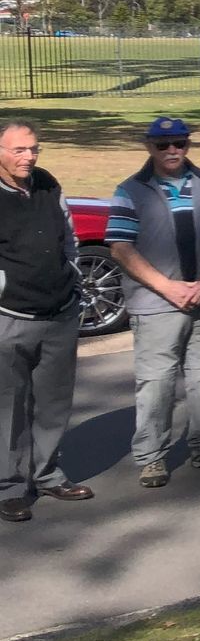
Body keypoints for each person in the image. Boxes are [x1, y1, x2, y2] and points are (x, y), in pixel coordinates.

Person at [109, 116, 200, 486]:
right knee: (156, 383)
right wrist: (168, 287)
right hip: (156, 303)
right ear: (148, 146)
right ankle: (152, 457)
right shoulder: (129, 190)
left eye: (179, 143)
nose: (172, 151)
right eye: (163, 145)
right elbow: (120, 247)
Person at [0, 120, 91, 523]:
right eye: (19, 150)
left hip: (59, 312)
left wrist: (71, 277)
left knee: (54, 403)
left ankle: (48, 474)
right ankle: (11, 487)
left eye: (34, 149)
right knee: (11, 408)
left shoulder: (48, 184)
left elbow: (68, 236)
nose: (29, 157)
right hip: (10, 317)